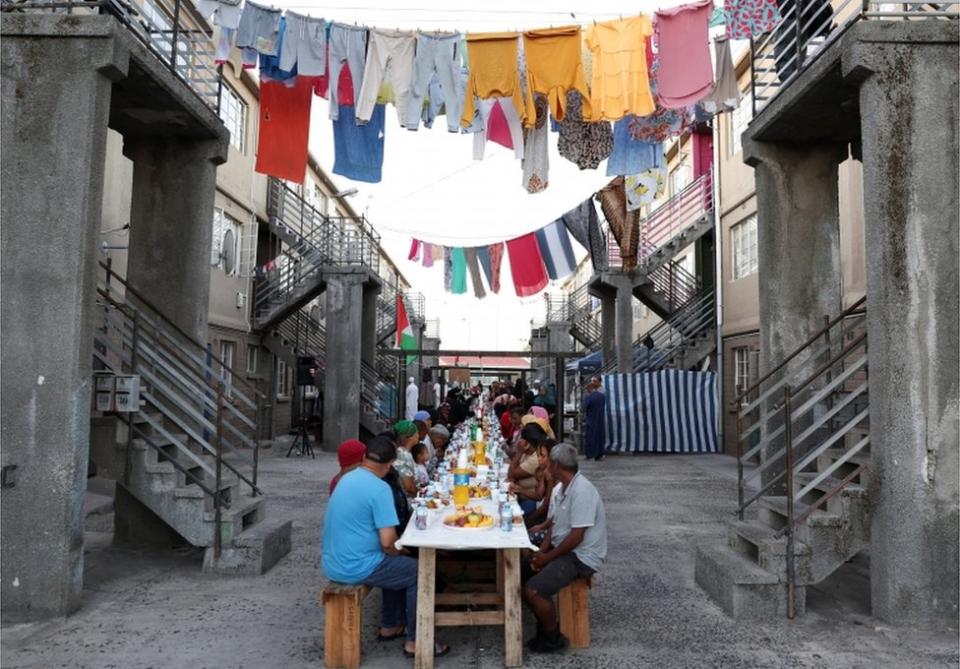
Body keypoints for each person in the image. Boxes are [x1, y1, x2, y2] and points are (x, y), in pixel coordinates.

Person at [321, 436, 450, 658]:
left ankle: (390, 624)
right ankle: (416, 640)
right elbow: (388, 542)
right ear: (389, 464)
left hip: (332, 561)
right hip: (357, 565)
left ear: (364, 458)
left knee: (397, 564)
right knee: (418, 571)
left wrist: (396, 553)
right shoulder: (380, 489)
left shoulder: (345, 479)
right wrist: (399, 551)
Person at [523, 443, 607, 653]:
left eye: (550, 463)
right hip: (565, 549)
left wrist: (547, 557)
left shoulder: (582, 491)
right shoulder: (562, 489)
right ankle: (543, 622)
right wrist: (541, 552)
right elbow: (555, 525)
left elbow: (576, 537)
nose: (548, 467)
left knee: (533, 591)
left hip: (581, 557)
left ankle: (552, 636)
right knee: (520, 570)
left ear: (557, 466)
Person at [508, 423, 548, 515]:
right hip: (521, 496)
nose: (519, 440)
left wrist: (519, 451)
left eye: (522, 438)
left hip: (530, 500)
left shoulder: (536, 458)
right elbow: (513, 471)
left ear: (527, 443)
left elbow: (511, 473)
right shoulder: (527, 452)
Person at [391, 421, 420, 497]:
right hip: (409, 502)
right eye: (417, 433)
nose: (418, 435)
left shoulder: (404, 452)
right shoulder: (402, 455)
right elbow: (409, 487)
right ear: (410, 437)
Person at [583, 380, 607, 461]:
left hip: (591, 419)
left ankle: (590, 454)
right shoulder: (602, 396)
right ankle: (599, 454)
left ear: (590, 388)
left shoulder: (589, 397)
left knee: (591, 437)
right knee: (600, 437)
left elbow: (584, 407)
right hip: (600, 420)